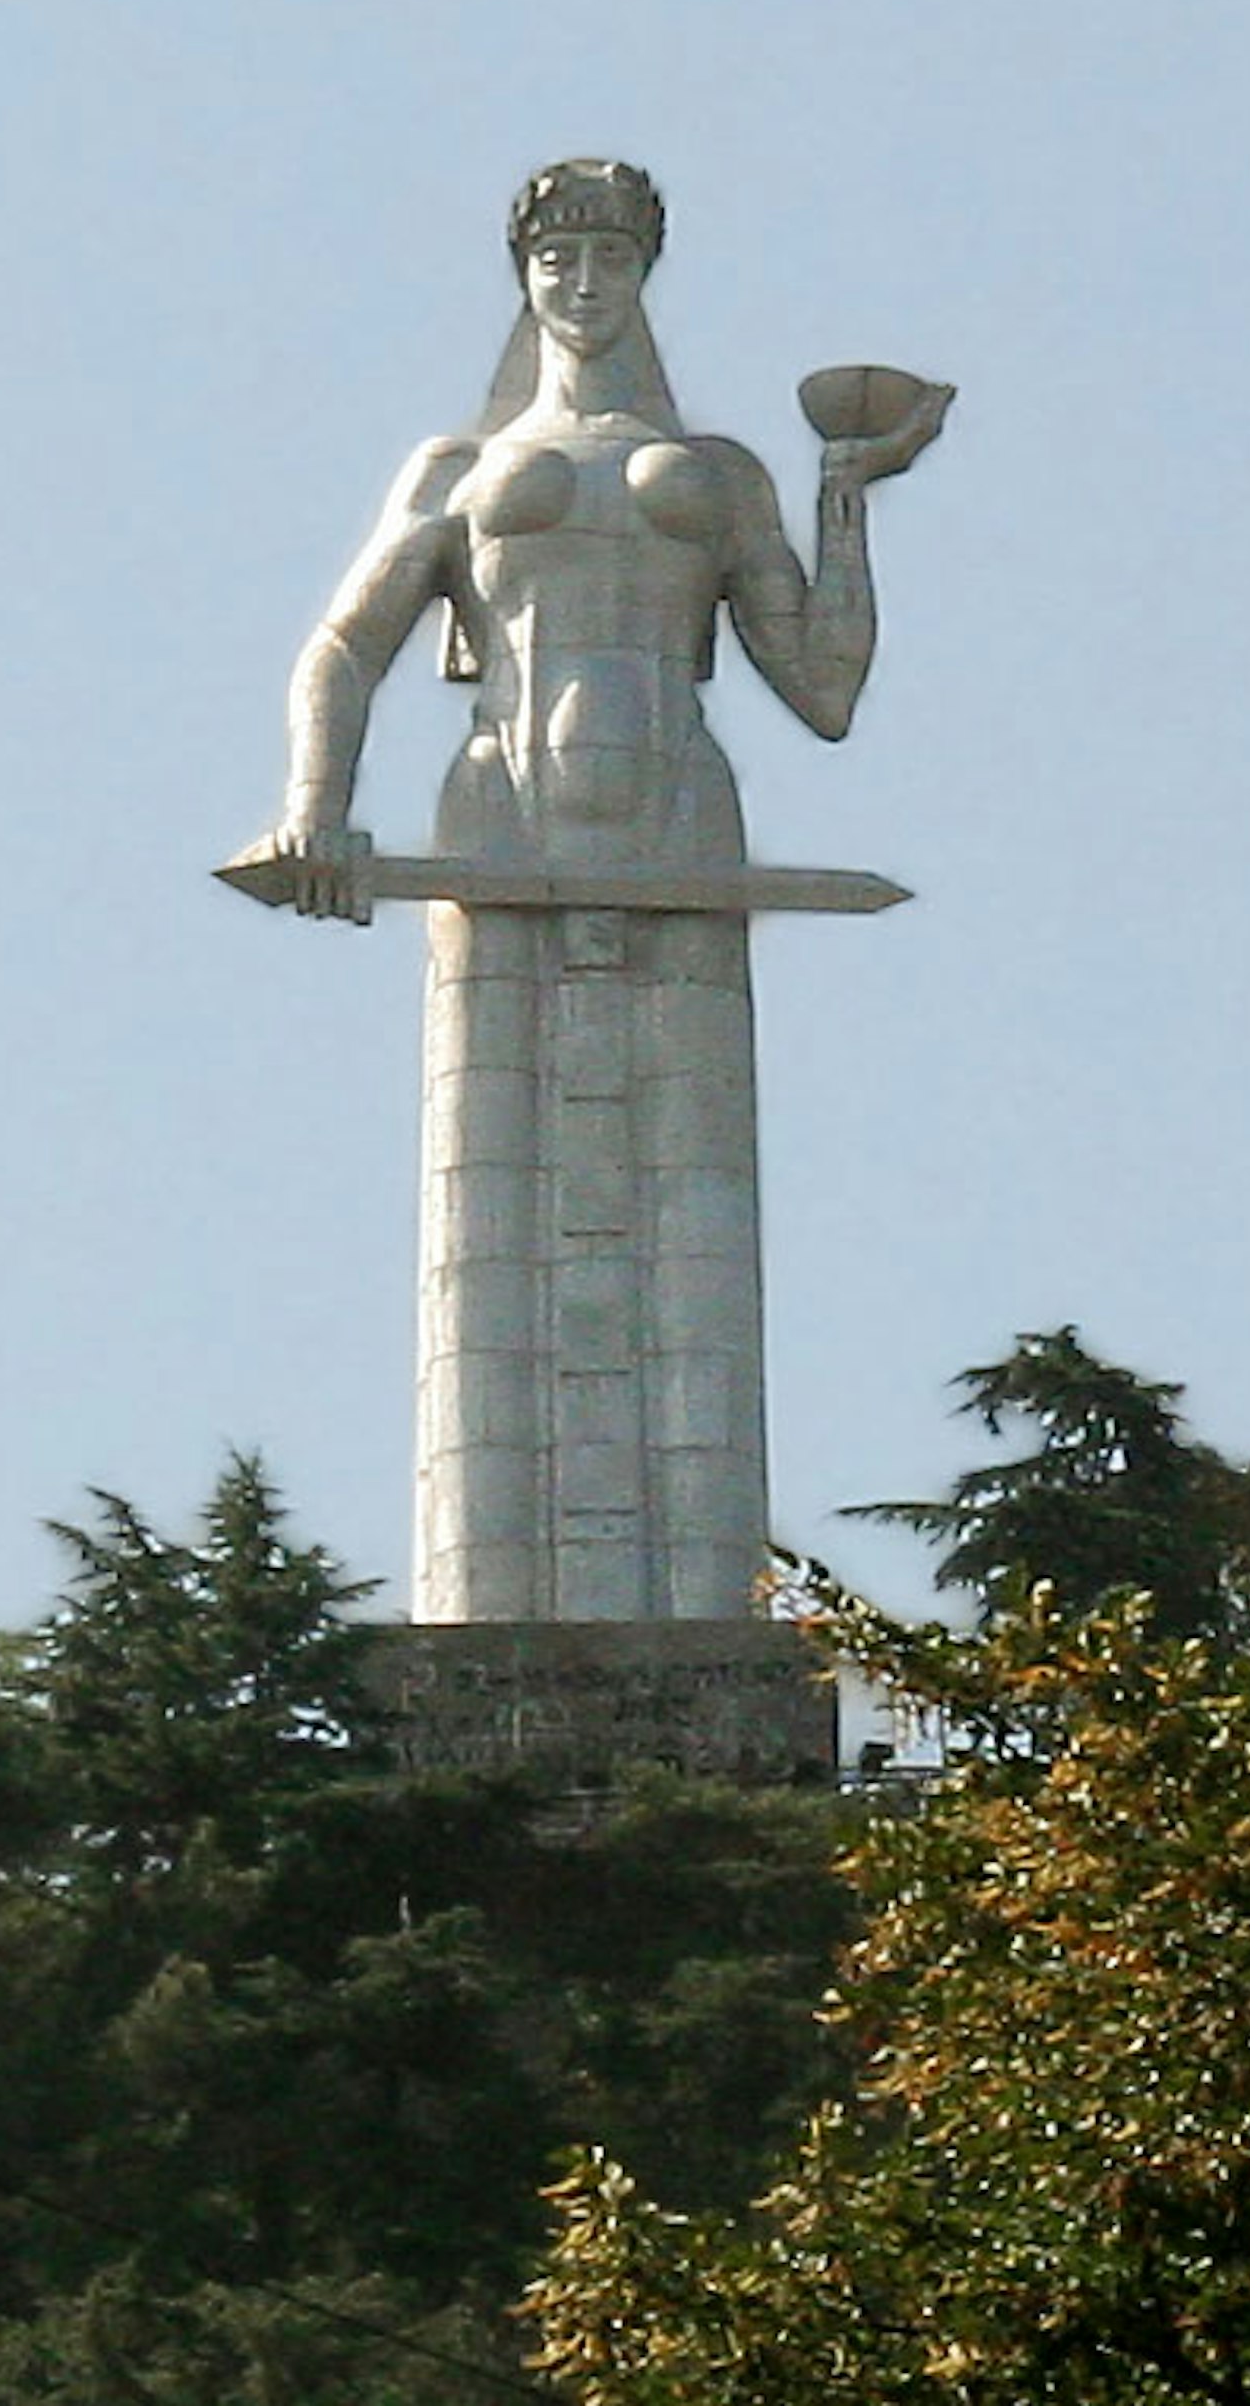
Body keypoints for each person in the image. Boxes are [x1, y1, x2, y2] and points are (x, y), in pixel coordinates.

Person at [245, 160, 948, 1621]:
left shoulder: (720, 475)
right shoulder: (459, 469)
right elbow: (341, 646)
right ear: (524, 279)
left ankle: (707, 1615)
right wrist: (314, 813)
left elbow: (821, 686)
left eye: (610, 257)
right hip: (499, 818)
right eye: (557, 257)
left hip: (685, 823)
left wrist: (843, 497)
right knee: (492, 1228)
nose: (582, 282)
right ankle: (486, 1618)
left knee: (691, 1240)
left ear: (645, 275)